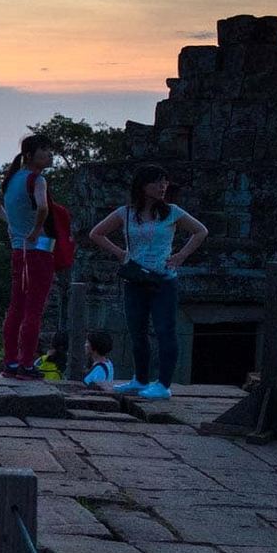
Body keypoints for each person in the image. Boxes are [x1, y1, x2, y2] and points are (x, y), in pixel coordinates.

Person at [88, 165, 208, 400]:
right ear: (143, 186)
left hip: (163, 279)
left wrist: (181, 255)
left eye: (165, 182)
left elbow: (200, 231)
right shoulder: (126, 213)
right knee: (137, 331)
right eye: (157, 182)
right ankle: (140, 379)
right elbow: (96, 233)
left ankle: (163, 384)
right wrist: (120, 253)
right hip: (136, 279)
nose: (162, 187)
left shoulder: (172, 212)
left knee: (165, 330)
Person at [0, 134, 56, 379]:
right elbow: (43, 207)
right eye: (44, 150)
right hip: (38, 250)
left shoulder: (12, 180)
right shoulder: (37, 180)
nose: (49, 155)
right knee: (33, 310)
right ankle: (27, 364)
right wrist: (36, 230)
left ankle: (11, 362)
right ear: (30, 155)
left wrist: (12, 224)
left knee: (16, 307)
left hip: (19, 250)